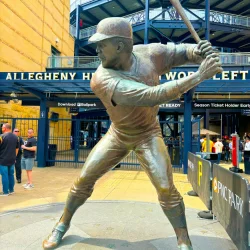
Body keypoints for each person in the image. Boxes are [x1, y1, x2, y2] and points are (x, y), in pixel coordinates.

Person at [43, 17, 222, 250]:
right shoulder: (101, 79)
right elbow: (151, 96)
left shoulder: (150, 53)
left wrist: (200, 51)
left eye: (101, 44)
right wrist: (199, 76)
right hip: (118, 135)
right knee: (84, 180)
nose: (96, 50)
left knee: (166, 188)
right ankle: (62, 224)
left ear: (119, 45)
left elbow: (185, 52)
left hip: (148, 134)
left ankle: (183, 239)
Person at [0, 123, 19, 196]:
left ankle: (5, 192)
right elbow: (17, 148)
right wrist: (14, 157)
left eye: (2, 128)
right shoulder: (15, 137)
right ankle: (11, 190)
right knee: (11, 174)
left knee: (4, 175)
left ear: (5, 128)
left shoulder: (1, 137)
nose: (2, 129)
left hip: (3, 159)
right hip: (12, 159)